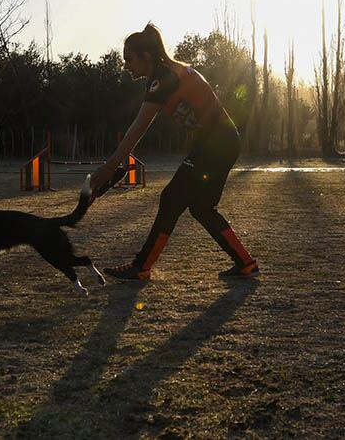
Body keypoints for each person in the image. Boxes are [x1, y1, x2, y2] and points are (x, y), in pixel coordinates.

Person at [89, 23, 259, 281]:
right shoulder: (168, 72)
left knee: (171, 199)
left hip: (216, 143)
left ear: (146, 56)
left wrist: (109, 167)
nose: (126, 66)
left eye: (129, 59)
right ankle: (245, 263)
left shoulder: (164, 78)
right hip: (222, 141)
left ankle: (142, 266)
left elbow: (138, 128)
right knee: (202, 207)